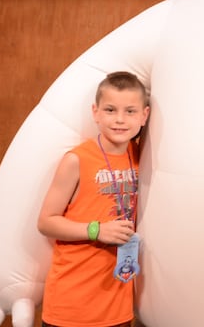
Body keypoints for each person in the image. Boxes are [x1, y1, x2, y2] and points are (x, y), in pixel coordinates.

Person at [38, 71, 150, 327]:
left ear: (144, 115)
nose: (120, 120)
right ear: (95, 112)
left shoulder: (142, 155)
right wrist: (96, 230)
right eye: (110, 110)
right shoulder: (77, 160)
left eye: (130, 111)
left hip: (118, 307)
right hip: (71, 307)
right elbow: (46, 222)